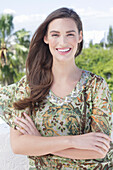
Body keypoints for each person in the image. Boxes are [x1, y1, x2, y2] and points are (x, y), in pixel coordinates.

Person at [0, 7, 112, 169]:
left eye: (70, 34)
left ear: (80, 37)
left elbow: (99, 150)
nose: (63, 42)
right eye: (55, 35)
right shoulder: (28, 86)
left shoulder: (96, 86)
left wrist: (40, 142)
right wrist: (73, 141)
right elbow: (18, 145)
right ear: (46, 38)